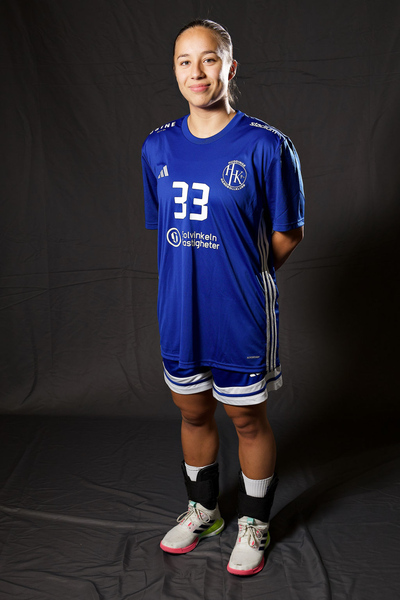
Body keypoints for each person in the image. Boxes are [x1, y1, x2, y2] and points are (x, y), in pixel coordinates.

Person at [141, 18, 305, 576]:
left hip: (239, 311)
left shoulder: (266, 145)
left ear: (230, 68)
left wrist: (246, 273)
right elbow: (166, 232)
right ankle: (204, 511)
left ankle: (254, 521)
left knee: (247, 419)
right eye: (185, 61)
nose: (197, 71)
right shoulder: (157, 146)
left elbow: (288, 231)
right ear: (175, 71)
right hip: (180, 310)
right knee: (192, 413)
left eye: (208, 58)